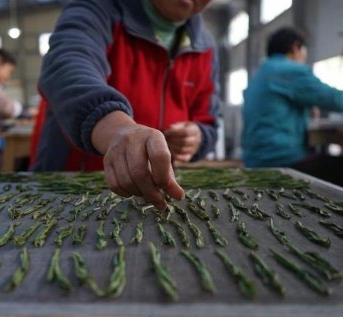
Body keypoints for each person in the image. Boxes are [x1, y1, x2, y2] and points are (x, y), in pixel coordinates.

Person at [30, 0, 220, 209]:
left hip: (148, 198)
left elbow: (208, 120)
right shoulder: (98, 8)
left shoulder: (206, 46)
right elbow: (66, 65)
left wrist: (197, 137)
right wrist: (115, 127)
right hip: (70, 190)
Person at [242, 27, 343, 183]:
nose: (304, 55)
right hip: (281, 161)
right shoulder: (290, 70)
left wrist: (304, 110)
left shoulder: (262, 71)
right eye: (303, 49)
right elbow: (333, 98)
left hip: (254, 160)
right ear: (295, 47)